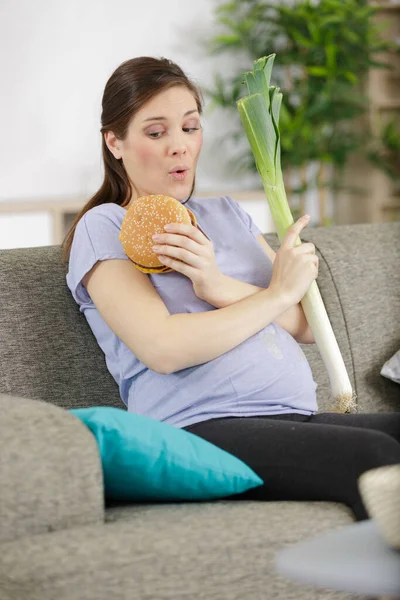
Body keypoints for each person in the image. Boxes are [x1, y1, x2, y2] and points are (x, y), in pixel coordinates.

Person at [62, 56, 400, 521]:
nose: (178, 147)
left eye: (190, 127)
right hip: (202, 425)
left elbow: (302, 325)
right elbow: (162, 348)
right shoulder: (108, 226)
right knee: (373, 455)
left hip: (291, 414)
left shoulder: (228, 214)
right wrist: (277, 294)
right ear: (115, 142)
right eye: (156, 132)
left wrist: (218, 285)